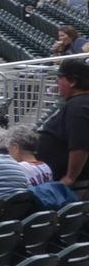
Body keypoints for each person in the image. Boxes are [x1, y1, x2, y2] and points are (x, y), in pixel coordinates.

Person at [43, 58, 89, 189]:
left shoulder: (79, 105)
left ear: (73, 81)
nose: (57, 83)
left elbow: (80, 144)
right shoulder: (79, 102)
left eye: (59, 78)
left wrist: (70, 177)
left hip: (69, 184)